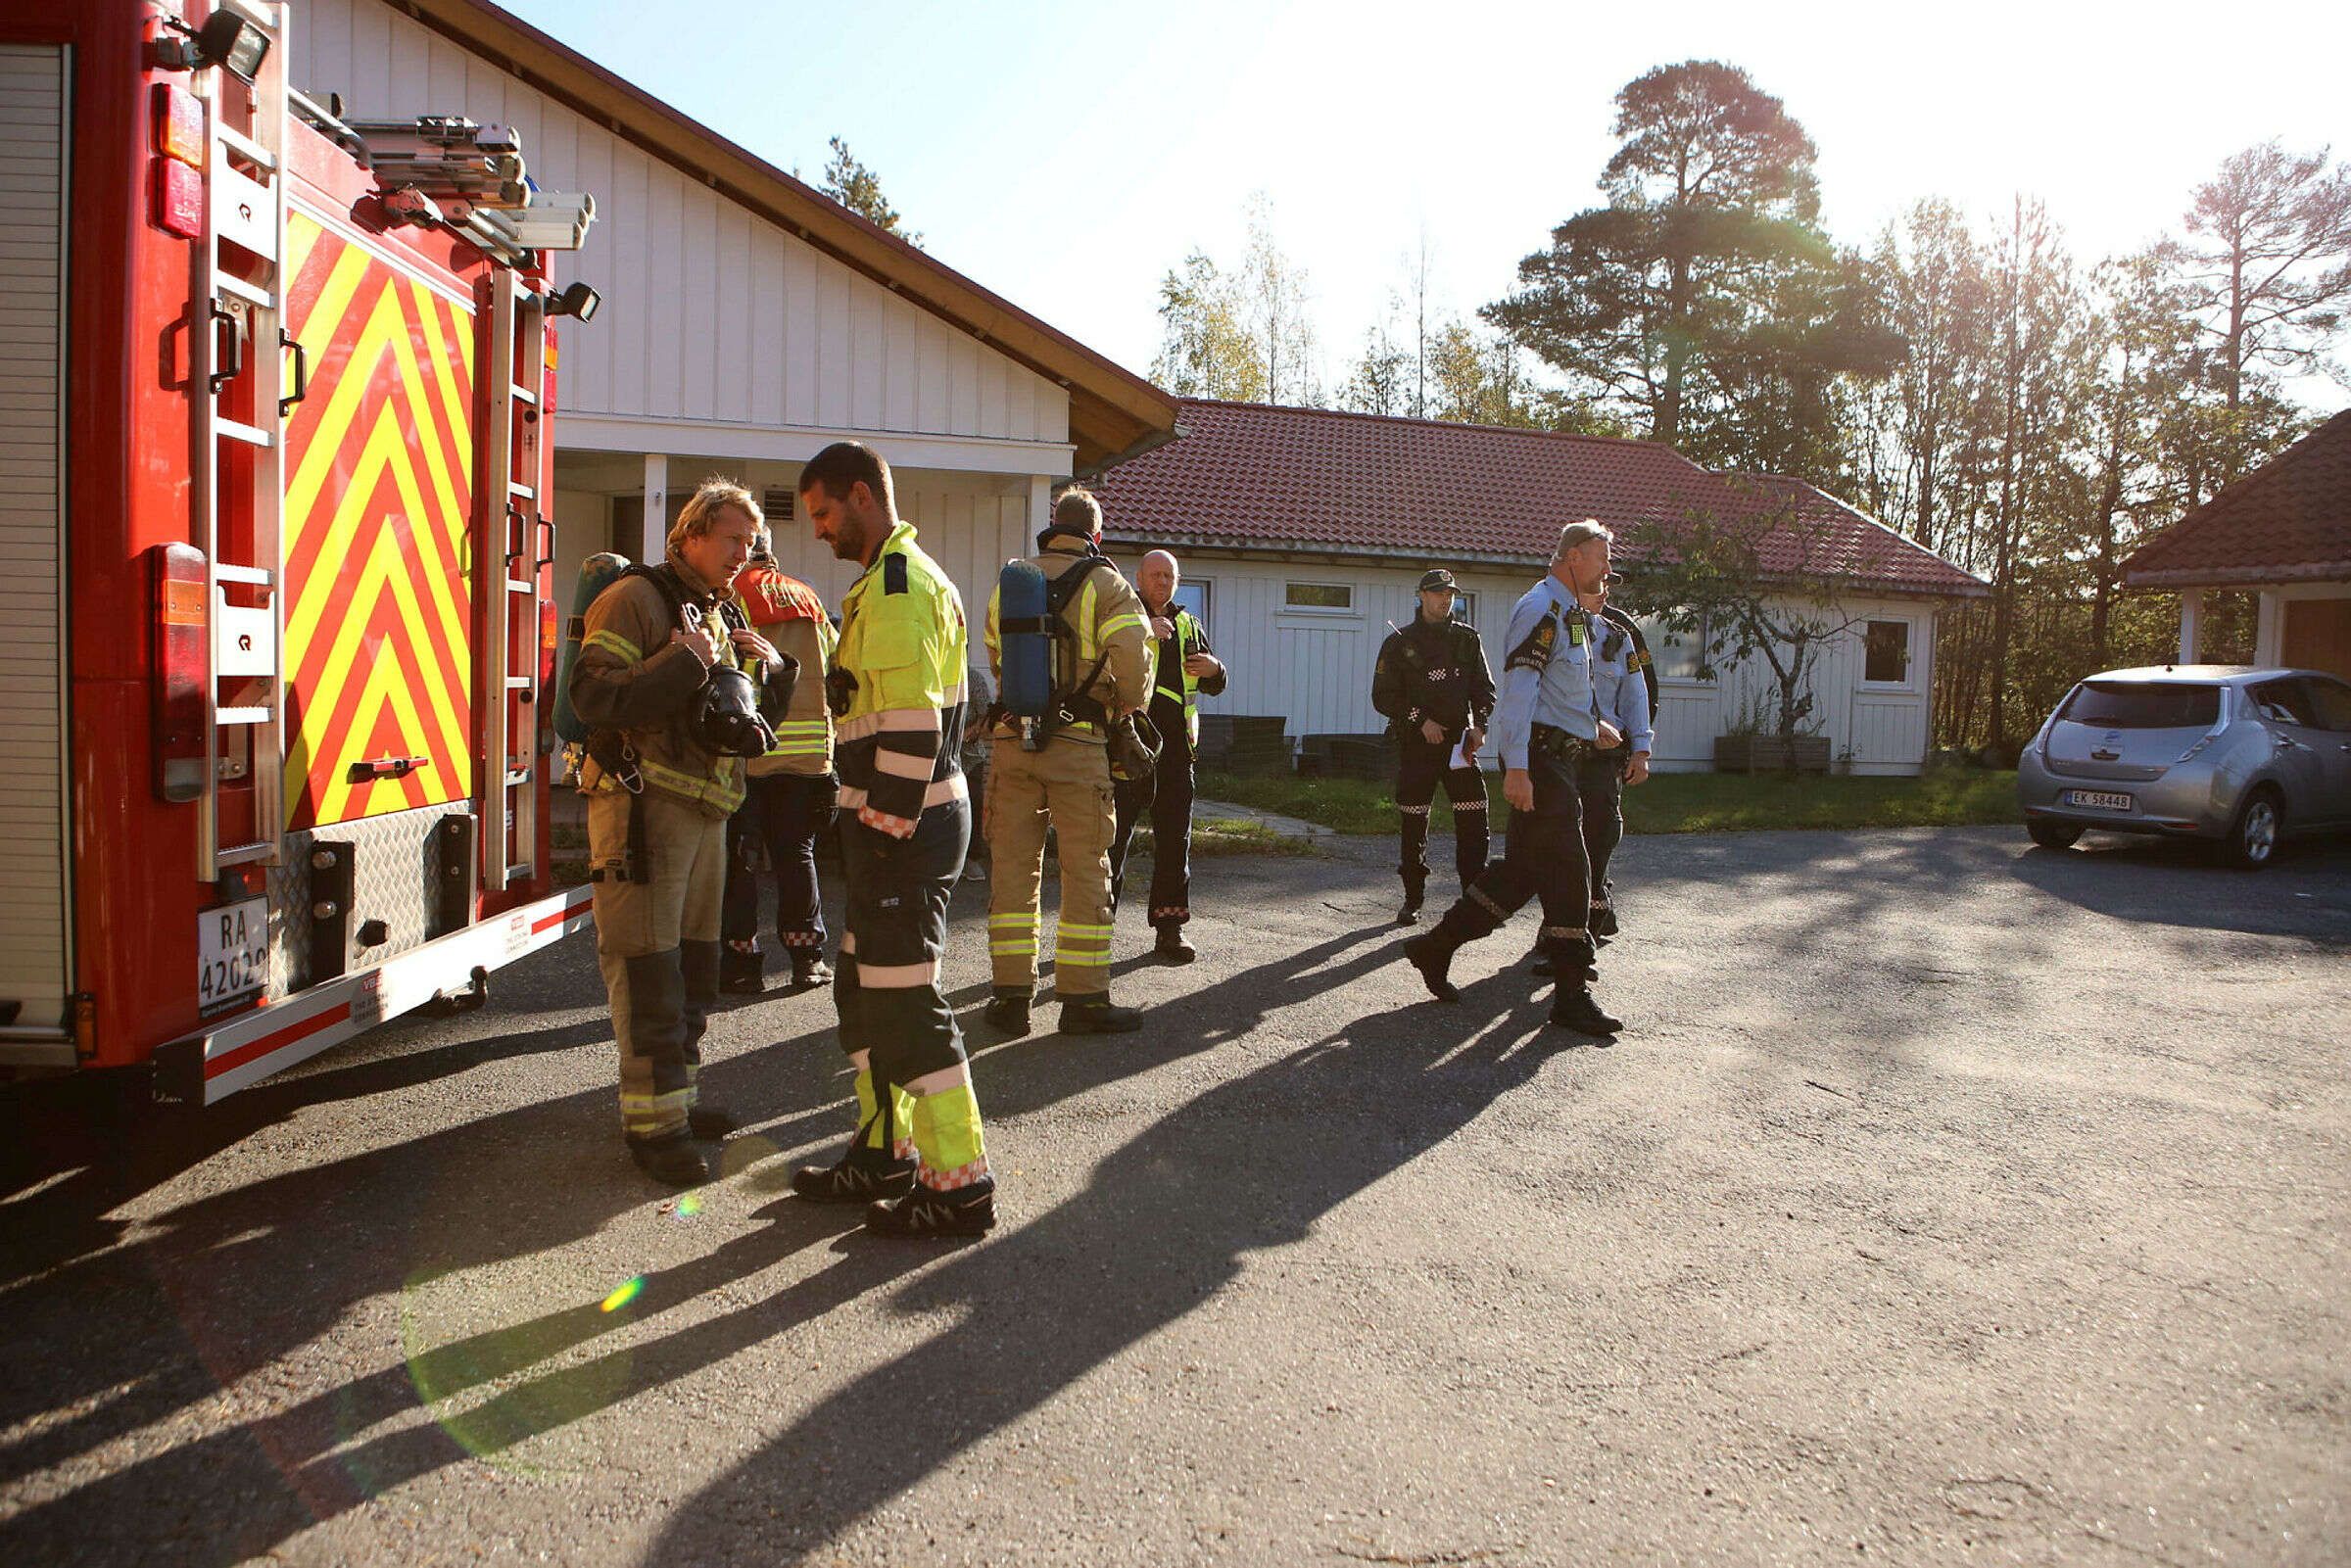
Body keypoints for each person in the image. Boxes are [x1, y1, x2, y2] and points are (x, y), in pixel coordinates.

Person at [788, 442, 994, 1237]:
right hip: (893, 826)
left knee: (906, 1005)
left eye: (824, 513)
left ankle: (960, 1185)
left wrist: (878, 835)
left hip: (904, 828)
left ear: (863, 497)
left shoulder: (901, 588)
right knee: (861, 992)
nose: (818, 530)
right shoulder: (886, 582)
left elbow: (911, 730)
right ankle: (885, 1151)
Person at [569, 478, 782, 1185]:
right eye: (731, 539)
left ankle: (678, 1102)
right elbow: (591, 695)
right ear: (690, 534)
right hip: (644, 811)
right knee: (649, 971)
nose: (742, 553)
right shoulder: (635, 598)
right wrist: (684, 659)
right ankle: (654, 1128)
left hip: (705, 812)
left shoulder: (718, 610)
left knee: (694, 969)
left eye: (750, 543)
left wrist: (770, 674)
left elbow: (725, 716)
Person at [1402, 521, 1627, 1038]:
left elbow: (1560, 691)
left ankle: (1434, 947)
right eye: (1602, 557)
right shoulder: (1541, 609)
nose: (1608, 568)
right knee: (1572, 871)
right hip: (1541, 763)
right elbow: (1520, 693)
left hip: (1560, 757)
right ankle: (1571, 995)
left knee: (1520, 874)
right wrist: (1519, 768)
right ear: (1573, 557)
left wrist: (1590, 725)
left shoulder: (1571, 612)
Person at [982, 487, 1151, 1036]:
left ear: (1054, 526)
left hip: (1013, 743)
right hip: (1078, 748)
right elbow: (1134, 661)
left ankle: (1011, 999)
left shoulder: (1012, 579)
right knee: (1085, 870)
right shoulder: (1108, 584)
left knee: (1013, 870)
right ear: (1096, 534)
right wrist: (1124, 705)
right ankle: (1083, 1001)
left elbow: (995, 653)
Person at [718, 524, 838, 994]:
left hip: (750, 752)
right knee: (797, 854)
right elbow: (834, 661)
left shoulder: (731, 599)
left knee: (742, 859)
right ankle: (808, 958)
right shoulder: (808, 599)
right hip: (808, 754)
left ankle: (742, 962)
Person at [1107, 548, 1226, 964]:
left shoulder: (1189, 623)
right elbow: (1101, 669)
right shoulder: (1122, 616)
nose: (1162, 581)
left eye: (1169, 576)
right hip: (1127, 745)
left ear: (1177, 581)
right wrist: (1143, 632)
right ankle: (1097, 928)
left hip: (1175, 752)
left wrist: (1216, 669)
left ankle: (1170, 931)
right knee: (1112, 840)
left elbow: (1212, 684)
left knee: (1175, 843)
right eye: (1155, 574)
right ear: (1138, 579)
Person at [1530, 578, 1654, 978]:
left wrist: (1641, 749)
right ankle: (1557, 933)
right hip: (1562, 751)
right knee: (1560, 842)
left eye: (1607, 587)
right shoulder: (1555, 627)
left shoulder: (1618, 635)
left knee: (1601, 834)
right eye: (1596, 586)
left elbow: (1636, 693)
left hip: (1603, 756)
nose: (1604, 593)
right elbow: (1538, 689)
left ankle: (1587, 927)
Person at [1371, 568, 1495, 925]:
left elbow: (1484, 690)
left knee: (1474, 821)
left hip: (1459, 746)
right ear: (1422, 595)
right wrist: (1420, 720)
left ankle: (1473, 901)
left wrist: (1480, 726)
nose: (1446, 599)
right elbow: (1383, 696)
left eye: (1451, 594)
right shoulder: (1399, 643)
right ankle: (1413, 898)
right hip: (1418, 745)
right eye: (1439, 593)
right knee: (1414, 821)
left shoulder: (1467, 639)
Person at [960, 653, 993, 884]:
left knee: (972, 804)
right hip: (940, 755)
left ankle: (972, 858)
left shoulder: (973, 678)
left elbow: (986, 716)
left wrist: (969, 733)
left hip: (969, 756)